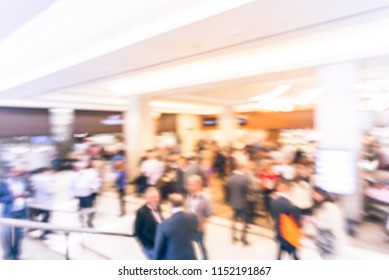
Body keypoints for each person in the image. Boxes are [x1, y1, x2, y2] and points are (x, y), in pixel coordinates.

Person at [153, 193, 198, 260]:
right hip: (190, 257)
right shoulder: (193, 217)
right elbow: (194, 233)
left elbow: (159, 248)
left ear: (170, 204)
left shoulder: (164, 224)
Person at [0, 167, 31, 260]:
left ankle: (17, 254)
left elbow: (29, 191)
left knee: (19, 235)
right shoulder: (3, 184)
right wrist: (13, 197)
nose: (16, 173)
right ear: (8, 173)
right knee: (6, 236)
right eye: (14, 172)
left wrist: (27, 193)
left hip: (21, 211)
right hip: (8, 213)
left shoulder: (23, 181)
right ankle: (8, 257)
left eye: (18, 172)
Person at [308, 186, 348, 259]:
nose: (312, 196)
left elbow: (334, 226)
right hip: (323, 240)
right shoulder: (321, 206)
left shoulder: (331, 207)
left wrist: (315, 222)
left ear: (321, 195)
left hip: (331, 241)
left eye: (314, 194)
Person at [270, 178, 302, 260]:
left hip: (279, 231)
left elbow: (273, 215)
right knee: (294, 255)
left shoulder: (274, 201)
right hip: (288, 234)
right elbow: (297, 219)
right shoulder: (289, 204)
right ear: (289, 190)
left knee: (281, 252)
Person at [185, 175, 213, 260]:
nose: (191, 187)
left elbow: (209, 213)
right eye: (189, 185)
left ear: (199, 185)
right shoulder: (188, 196)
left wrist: (203, 224)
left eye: (193, 185)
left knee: (200, 245)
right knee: (190, 246)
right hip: (188, 227)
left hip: (199, 228)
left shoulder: (205, 198)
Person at [134, 187, 163, 259]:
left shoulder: (158, 208)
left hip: (160, 244)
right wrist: (146, 245)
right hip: (150, 246)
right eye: (153, 197)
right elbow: (137, 232)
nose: (156, 199)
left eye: (157, 197)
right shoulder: (141, 212)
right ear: (147, 199)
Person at [69, 161, 100, 228]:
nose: (79, 169)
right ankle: (82, 223)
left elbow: (96, 182)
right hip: (79, 195)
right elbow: (70, 186)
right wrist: (71, 194)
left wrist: (93, 187)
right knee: (80, 210)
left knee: (90, 210)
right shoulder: (73, 175)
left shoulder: (91, 173)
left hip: (89, 194)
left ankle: (90, 222)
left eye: (81, 167)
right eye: (78, 167)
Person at [29, 167, 57, 239]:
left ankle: (47, 230)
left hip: (38, 201)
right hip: (45, 202)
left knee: (45, 217)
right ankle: (44, 232)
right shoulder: (45, 179)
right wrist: (54, 186)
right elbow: (50, 190)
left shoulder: (34, 178)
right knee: (46, 217)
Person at [226, 163, 250, 245]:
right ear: (241, 168)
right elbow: (246, 192)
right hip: (242, 203)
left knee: (234, 219)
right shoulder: (244, 179)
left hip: (233, 202)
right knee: (244, 221)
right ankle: (243, 238)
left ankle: (233, 236)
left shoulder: (231, 178)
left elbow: (228, 191)